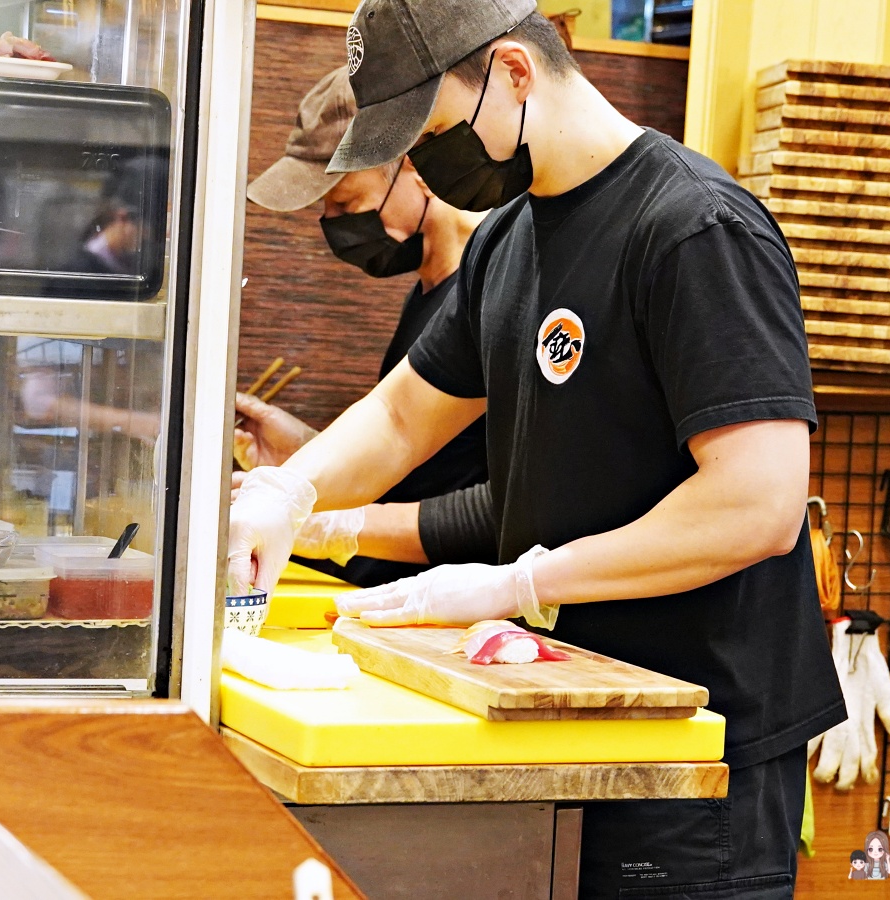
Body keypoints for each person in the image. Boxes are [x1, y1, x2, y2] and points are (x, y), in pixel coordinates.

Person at [227, 3, 845, 897]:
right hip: (566, 719)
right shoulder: (511, 242)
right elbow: (405, 416)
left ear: (515, 71)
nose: (435, 162)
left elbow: (758, 504)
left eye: (435, 130)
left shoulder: (694, 227)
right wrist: (287, 494)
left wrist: (523, 581)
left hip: (693, 752)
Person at [239, 66, 491, 587]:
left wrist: (334, 524)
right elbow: (418, 455)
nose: (333, 224)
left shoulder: (491, 289)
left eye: (346, 202)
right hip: (376, 595)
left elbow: (502, 511)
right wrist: (305, 460)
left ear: (419, 166)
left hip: (454, 609)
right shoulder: (426, 290)